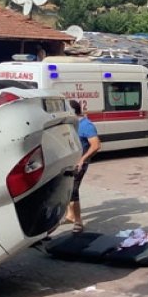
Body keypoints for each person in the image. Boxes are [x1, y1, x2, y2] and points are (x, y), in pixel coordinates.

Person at [65, 100, 101, 234]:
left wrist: (82, 160)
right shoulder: (70, 124)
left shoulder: (86, 125)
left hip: (80, 163)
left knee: (73, 191)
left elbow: (96, 145)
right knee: (66, 189)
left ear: (73, 112)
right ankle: (70, 215)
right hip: (69, 162)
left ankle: (78, 221)